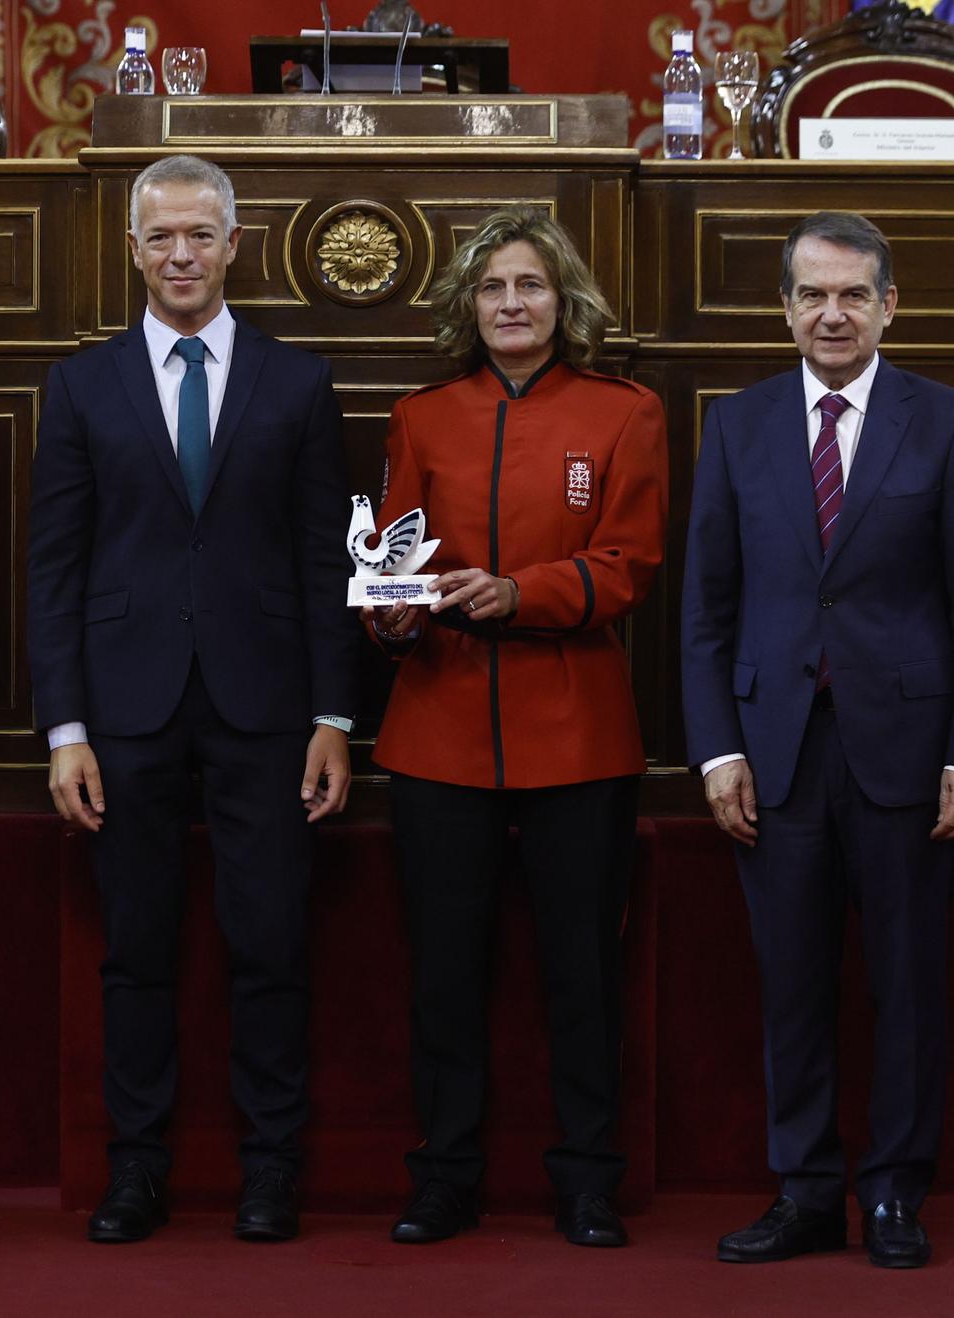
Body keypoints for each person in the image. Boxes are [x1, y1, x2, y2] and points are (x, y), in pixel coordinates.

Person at [26, 154, 360, 1244]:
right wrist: (64, 727)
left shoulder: (298, 384)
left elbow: (324, 564)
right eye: (159, 237)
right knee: (138, 948)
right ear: (133, 249)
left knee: (268, 943)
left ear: (232, 246)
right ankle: (137, 1171)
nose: (179, 255)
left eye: (198, 236)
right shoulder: (81, 385)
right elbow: (56, 567)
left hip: (267, 707)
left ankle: (269, 1170)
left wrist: (333, 715)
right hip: (123, 712)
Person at [681, 211, 954, 1269]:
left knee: (906, 983)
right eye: (811, 295)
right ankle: (805, 1189)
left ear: (886, 305)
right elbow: (705, 609)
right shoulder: (734, 424)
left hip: (907, 754)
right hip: (771, 754)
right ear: (783, 307)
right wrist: (715, 749)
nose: (831, 313)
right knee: (791, 981)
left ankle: (895, 1194)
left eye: (851, 294)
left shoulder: (947, 421)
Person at [362, 207, 667, 1248]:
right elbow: (393, 559)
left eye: (528, 285)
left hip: (575, 729)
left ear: (562, 299)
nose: (509, 304)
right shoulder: (420, 413)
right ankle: (442, 1175)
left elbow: (628, 561)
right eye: (491, 288)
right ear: (467, 305)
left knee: (582, 970)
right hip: (437, 727)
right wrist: (392, 614)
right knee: (442, 972)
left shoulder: (623, 414)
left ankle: (585, 1179)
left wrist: (520, 591)